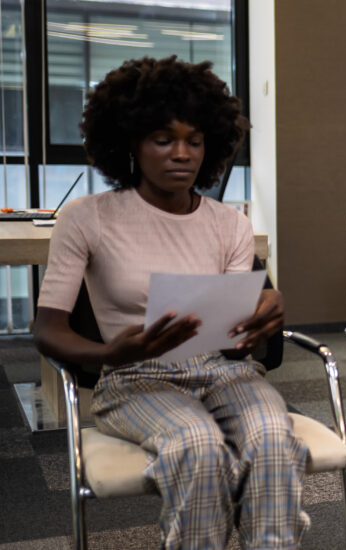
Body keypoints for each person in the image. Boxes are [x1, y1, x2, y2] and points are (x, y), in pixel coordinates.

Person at [32, 57, 305, 548]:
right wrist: (109, 354)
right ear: (131, 143)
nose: (182, 154)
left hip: (221, 371)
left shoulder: (231, 225)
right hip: (133, 377)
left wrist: (259, 321)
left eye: (195, 141)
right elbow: (47, 328)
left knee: (273, 438)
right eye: (163, 140)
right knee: (198, 446)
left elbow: (235, 345)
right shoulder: (87, 219)